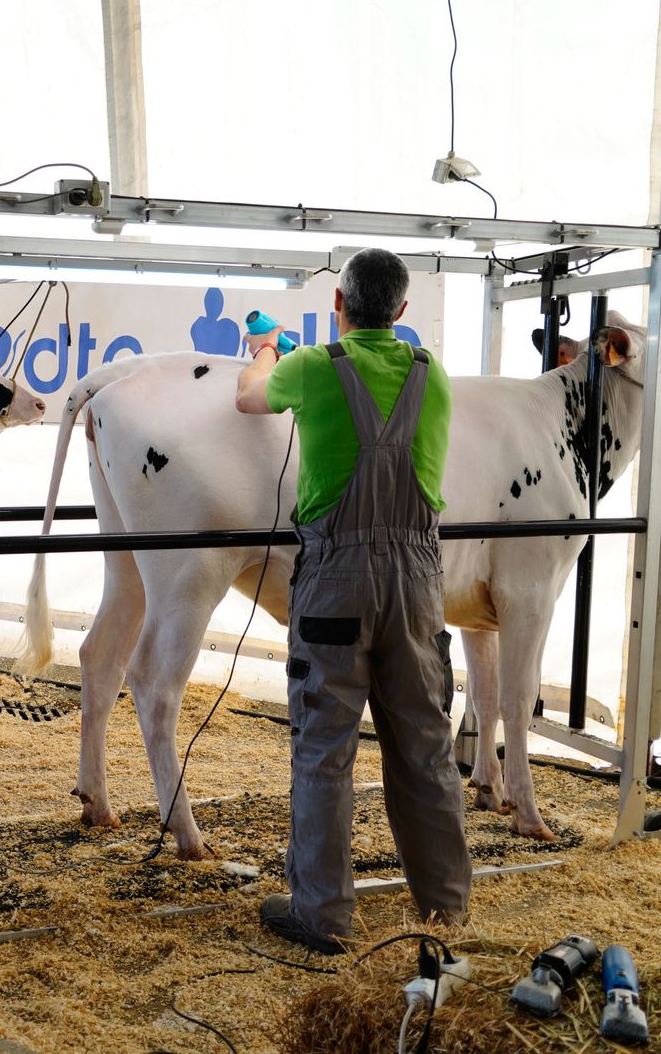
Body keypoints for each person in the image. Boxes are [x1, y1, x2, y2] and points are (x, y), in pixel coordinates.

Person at [233, 248, 471, 953]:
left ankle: (324, 917)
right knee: (426, 749)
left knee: (326, 751)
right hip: (419, 586)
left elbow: (249, 396)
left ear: (338, 306)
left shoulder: (311, 366)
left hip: (336, 582)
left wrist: (266, 348)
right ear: (400, 313)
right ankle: (445, 910)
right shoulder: (436, 378)